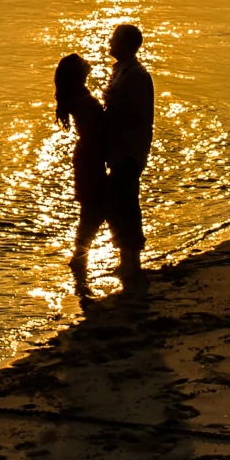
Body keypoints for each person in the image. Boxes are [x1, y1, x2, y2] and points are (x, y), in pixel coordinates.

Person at [100, 23, 154, 282]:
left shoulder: (137, 76)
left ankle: (132, 261)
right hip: (118, 148)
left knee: (124, 203)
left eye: (115, 39)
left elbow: (137, 116)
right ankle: (127, 259)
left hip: (130, 150)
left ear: (126, 44)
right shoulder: (120, 70)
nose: (110, 43)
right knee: (118, 202)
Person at [54, 53, 105, 279]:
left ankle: (80, 257)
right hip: (90, 156)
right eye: (83, 63)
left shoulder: (78, 94)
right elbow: (95, 129)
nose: (88, 63)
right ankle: (79, 257)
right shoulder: (81, 98)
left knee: (93, 209)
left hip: (88, 154)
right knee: (93, 209)